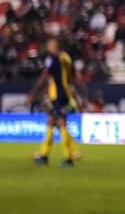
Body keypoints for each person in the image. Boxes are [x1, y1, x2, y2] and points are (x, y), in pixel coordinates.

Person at [28, 38, 83, 166]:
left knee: (61, 123)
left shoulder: (52, 59)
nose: (48, 47)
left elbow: (44, 76)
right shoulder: (66, 57)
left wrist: (34, 92)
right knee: (51, 121)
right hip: (66, 93)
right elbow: (72, 77)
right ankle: (44, 155)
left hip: (58, 95)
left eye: (50, 45)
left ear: (54, 46)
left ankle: (68, 158)